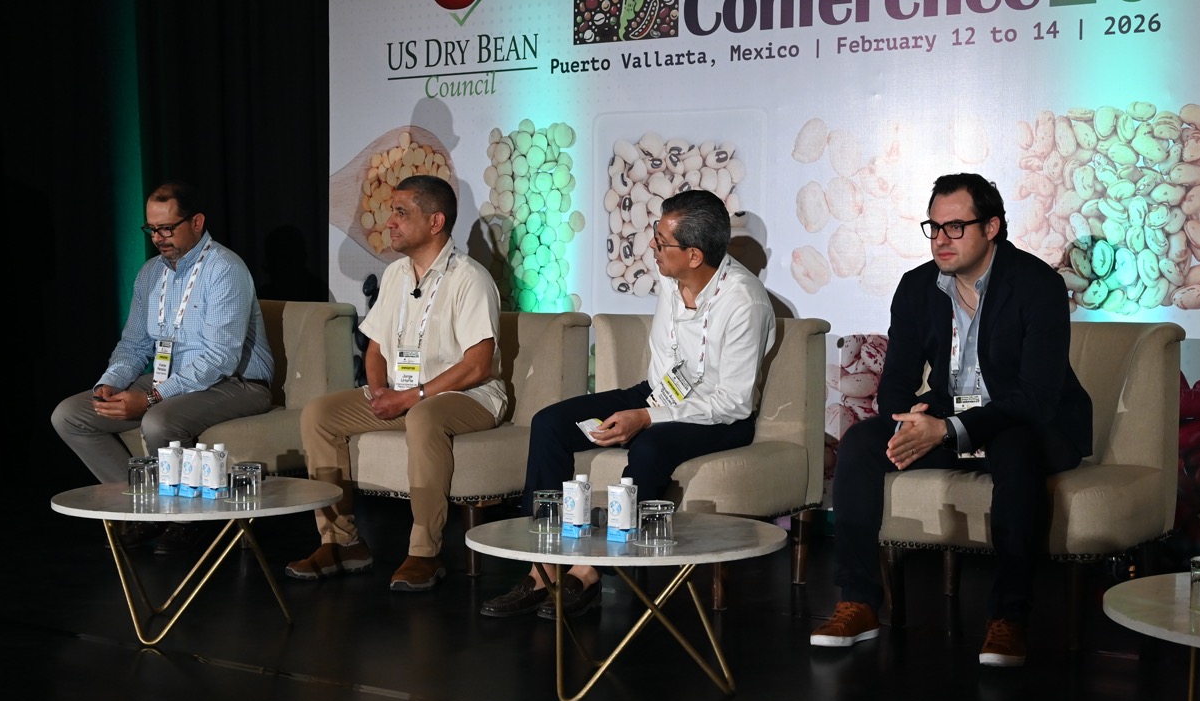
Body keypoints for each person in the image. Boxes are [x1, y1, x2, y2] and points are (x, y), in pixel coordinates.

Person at [811, 173, 1093, 667]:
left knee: (1016, 449)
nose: (941, 239)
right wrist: (908, 422)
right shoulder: (917, 286)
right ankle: (857, 602)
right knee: (860, 444)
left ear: (992, 227)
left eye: (955, 227)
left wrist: (947, 430)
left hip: (1028, 424)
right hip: (946, 418)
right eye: (934, 227)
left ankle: (1008, 619)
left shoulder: (1037, 285)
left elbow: (1036, 397)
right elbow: (897, 379)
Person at [482, 190, 775, 620]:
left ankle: (589, 574)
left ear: (694, 256)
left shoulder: (745, 302)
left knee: (651, 447)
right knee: (551, 423)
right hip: (661, 394)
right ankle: (542, 567)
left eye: (661, 242)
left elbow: (732, 402)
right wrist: (647, 409)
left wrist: (646, 419)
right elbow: (663, 372)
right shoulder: (670, 276)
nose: (651, 246)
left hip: (719, 415)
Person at [286, 174, 506, 593]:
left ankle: (425, 552)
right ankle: (341, 542)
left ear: (436, 221)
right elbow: (376, 349)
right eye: (392, 213)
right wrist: (379, 391)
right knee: (319, 414)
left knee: (424, 416)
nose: (390, 222)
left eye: (401, 213)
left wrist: (412, 396)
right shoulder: (395, 275)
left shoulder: (469, 278)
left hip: (469, 396)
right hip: (408, 394)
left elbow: (478, 366)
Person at [51, 182, 275, 489]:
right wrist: (110, 382)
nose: (157, 238)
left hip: (236, 382)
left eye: (167, 228)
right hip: (172, 377)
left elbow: (221, 357)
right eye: (152, 229)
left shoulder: (224, 269)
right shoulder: (150, 273)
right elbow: (133, 344)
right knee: (69, 415)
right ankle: (140, 500)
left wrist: (151, 398)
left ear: (196, 222)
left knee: (158, 421)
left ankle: (186, 513)